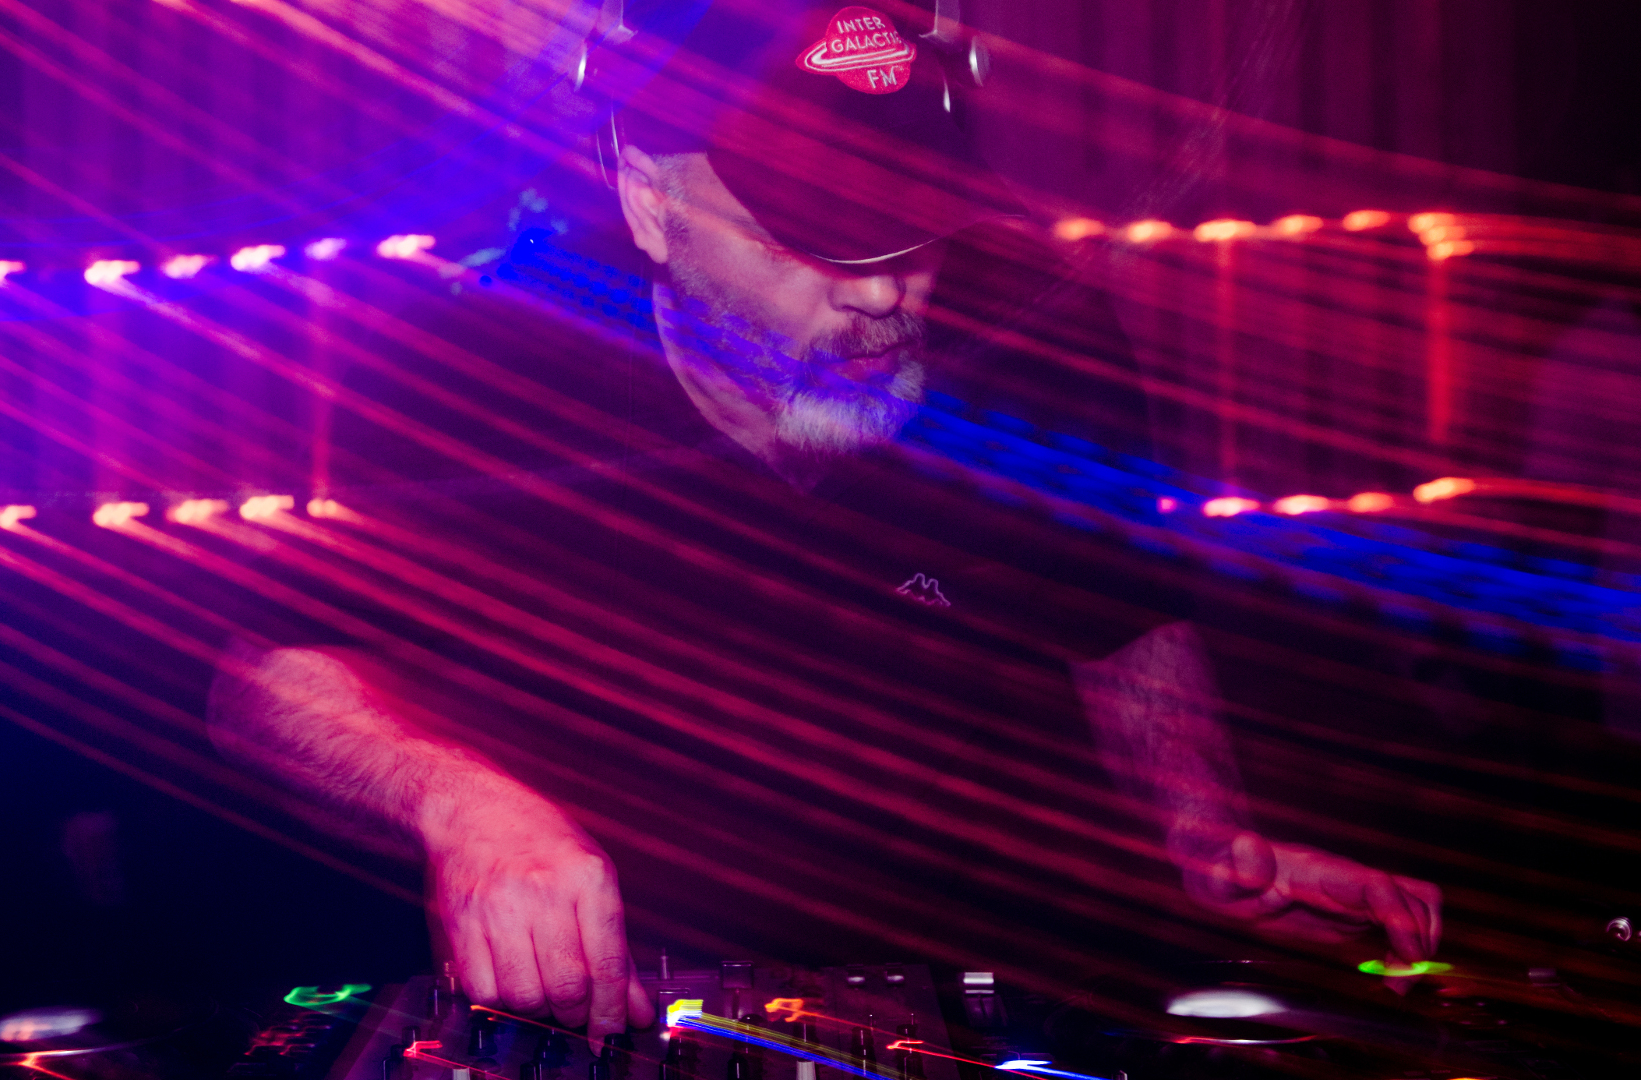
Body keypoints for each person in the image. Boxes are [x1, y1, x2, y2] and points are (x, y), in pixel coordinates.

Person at [207, 0, 1441, 1049]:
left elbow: (1119, 617)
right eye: (811, 236)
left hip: (970, 996)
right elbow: (268, 684)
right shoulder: (481, 360)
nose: (884, 289)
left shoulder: (1038, 340)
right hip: (610, 1008)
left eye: (917, 224)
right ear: (648, 198)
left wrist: (1204, 834)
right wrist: (460, 805)